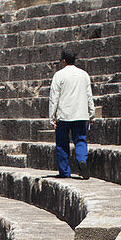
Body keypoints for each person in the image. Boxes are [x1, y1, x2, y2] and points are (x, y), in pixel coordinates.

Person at [48, 48, 95, 180]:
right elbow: (89, 95)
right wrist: (91, 114)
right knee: (80, 141)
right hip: (81, 114)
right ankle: (82, 160)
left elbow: (54, 98)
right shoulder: (84, 75)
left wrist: (52, 117)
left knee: (62, 144)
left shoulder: (59, 75)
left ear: (63, 61)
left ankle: (64, 171)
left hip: (64, 115)